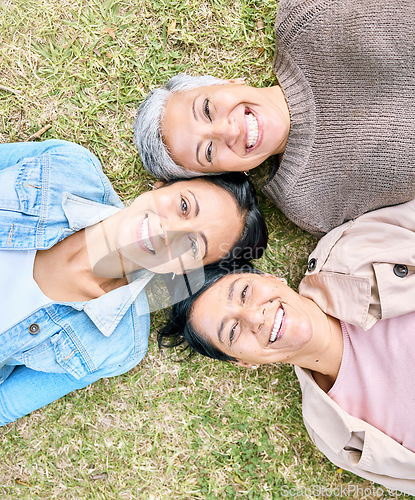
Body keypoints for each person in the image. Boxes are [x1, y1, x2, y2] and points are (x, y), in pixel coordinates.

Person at [0, 139, 267, 425]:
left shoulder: (117, 344)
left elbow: (6, 405)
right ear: (162, 184)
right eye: (185, 206)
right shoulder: (67, 167)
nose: (169, 230)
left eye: (191, 245)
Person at [134, 0, 415, 236]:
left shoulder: (306, 16)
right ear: (228, 173)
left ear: (227, 82)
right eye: (209, 151)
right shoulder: (311, 205)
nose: (228, 131)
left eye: (207, 109)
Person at [158, 264, 415, 493]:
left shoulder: (358, 255)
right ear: (245, 362)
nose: (254, 318)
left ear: (273, 278)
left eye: (244, 293)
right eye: (233, 331)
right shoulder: (335, 438)